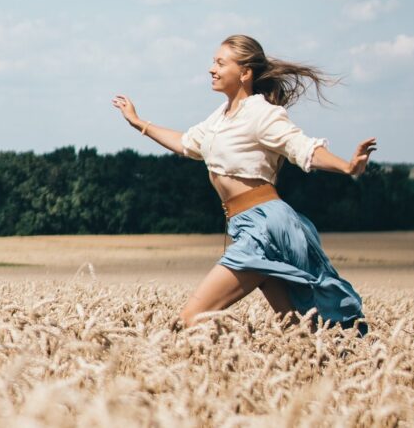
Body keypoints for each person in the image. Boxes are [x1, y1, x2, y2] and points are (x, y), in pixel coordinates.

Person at [111, 34, 377, 335]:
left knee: (188, 320)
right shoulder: (219, 119)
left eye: (220, 63)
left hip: (265, 227)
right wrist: (139, 123)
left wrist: (347, 166)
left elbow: (301, 147)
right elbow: (186, 143)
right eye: (213, 62)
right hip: (245, 224)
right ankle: (332, 369)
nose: (212, 69)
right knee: (298, 331)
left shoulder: (260, 113)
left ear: (245, 72)